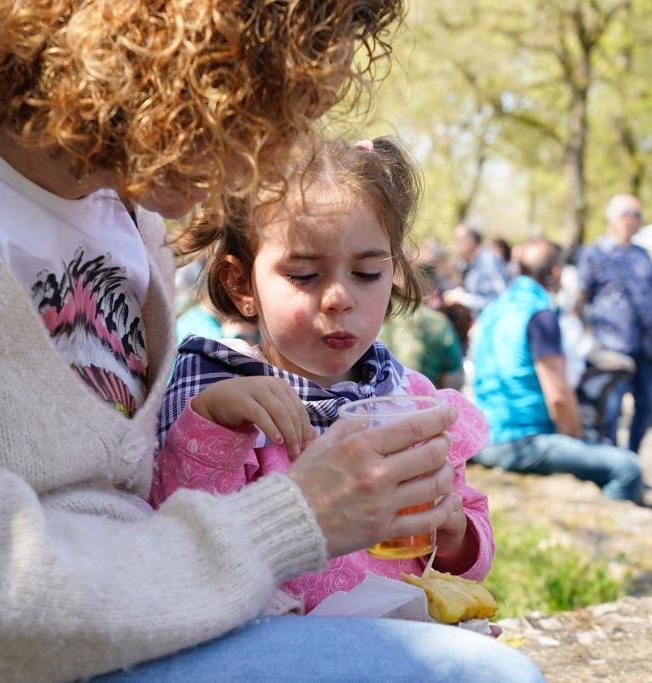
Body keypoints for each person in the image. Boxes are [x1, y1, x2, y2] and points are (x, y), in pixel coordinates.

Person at [0, 3, 542, 682]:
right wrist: (294, 515)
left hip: (148, 627)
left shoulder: (125, 211)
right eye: (257, 105)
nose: (272, 153)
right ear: (159, 53)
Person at [152, 138, 493, 613]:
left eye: (368, 273)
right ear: (241, 284)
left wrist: (457, 533)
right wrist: (214, 425)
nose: (339, 298)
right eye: (304, 275)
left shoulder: (407, 400)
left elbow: (468, 554)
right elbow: (180, 542)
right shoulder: (221, 395)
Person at [471, 239, 643, 502]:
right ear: (556, 273)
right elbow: (558, 396)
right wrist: (576, 439)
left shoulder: (494, 309)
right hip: (522, 441)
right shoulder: (540, 315)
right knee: (627, 468)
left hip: (484, 435)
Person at [577, 194, 652, 453]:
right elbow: (580, 299)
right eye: (637, 215)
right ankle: (612, 459)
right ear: (620, 217)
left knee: (647, 405)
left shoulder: (642, 255)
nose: (640, 221)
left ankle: (632, 455)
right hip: (611, 346)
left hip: (648, 345)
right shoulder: (593, 254)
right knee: (610, 409)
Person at [444, 223, 509, 317]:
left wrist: (463, 298)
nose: (454, 244)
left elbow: (500, 301)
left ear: (470, 241)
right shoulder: (469, 263)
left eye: (458, 240)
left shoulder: (489, 262)